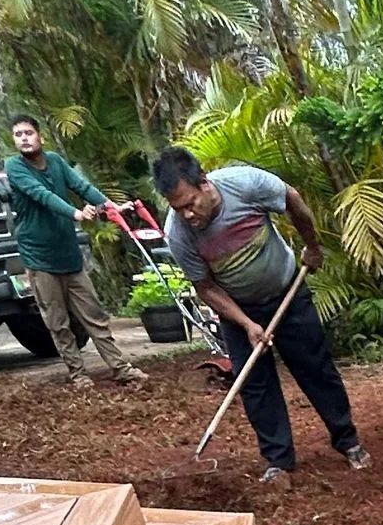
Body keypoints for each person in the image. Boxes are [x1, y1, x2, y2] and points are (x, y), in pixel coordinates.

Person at [152, 146, 369, 477]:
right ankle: (278, 461)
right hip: (237, 312)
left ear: (204, 183)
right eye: (177, 209)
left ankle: (347, 440)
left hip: (287, 292)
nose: (187, 215)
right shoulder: (179, 234)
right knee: (255, 385)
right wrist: (247, 324)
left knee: (316, 369)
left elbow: (292, 199)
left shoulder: (245, 184)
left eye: (190, 204)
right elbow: (206, 287)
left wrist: (311, 246)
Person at [2, 115, 144, 391]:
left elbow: (81, 186)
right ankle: (78, 374)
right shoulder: (14, 167)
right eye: (18, 134)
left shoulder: (54, 161)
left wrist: (110, 207)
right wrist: (76, 213)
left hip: (68, 255)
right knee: (58, 322)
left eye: (28, 133)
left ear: (39, 136)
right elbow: (41, 194)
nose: (24, 138)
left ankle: (121, 368)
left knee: (94, 315)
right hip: (39, 258)